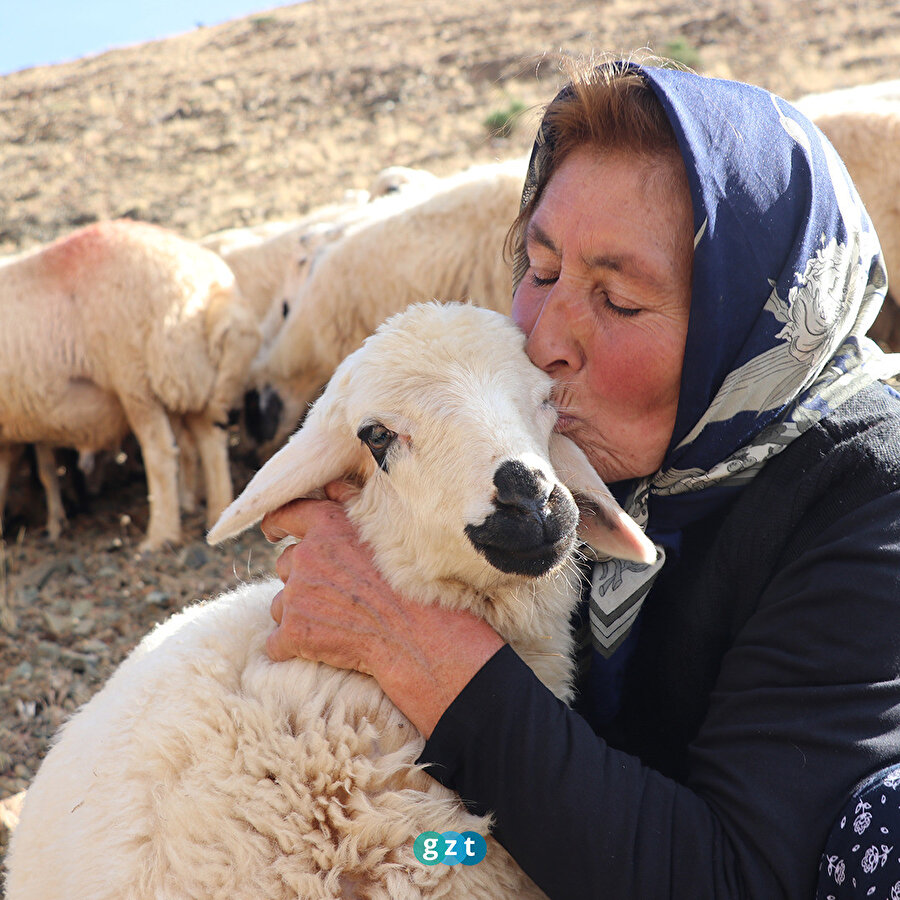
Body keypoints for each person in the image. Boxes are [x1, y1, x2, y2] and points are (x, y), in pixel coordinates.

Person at [260, 60, 900, 898]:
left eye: (620, 301)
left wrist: (419, 648)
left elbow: (734, 877)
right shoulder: (575, 468)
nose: (545, 337)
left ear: (749, 316)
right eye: (542, 268)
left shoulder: (865, 501)